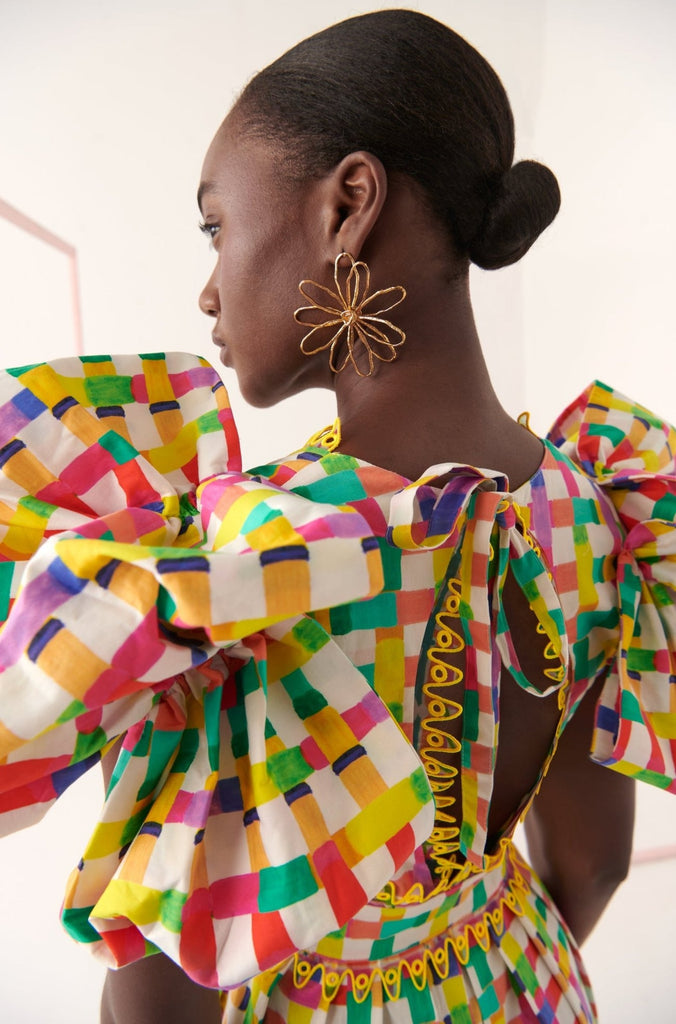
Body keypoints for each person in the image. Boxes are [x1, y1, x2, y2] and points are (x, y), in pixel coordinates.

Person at [0, 9, 673, 1024]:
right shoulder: (600, 504)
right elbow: (591, 866)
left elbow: (159, 997)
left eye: (216, 226)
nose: (208, 291)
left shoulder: (243, 575)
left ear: (348, 205)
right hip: (526, 981)